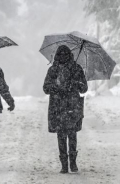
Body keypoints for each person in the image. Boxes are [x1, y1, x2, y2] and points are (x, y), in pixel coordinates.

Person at [43, 45, 88, 174]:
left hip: (72, 107)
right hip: (57, 107)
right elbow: (45, 88)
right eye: (60, 55)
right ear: (57, 56)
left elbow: (84, 88)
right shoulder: (53, 70)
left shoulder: (76, 69)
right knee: (61, 136)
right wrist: (55, 86)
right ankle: (64, 164)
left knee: (72, 134)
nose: (63, 57)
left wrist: (74, 83)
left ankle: (73, 163)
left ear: (69, 55)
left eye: (65, 55)